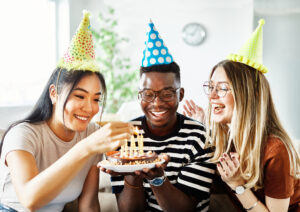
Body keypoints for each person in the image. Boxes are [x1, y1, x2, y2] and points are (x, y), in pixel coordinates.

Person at [0, 11, 133, 212]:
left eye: (96, 99)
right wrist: (86, 147)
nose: (90, 108)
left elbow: (88, 204)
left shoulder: (90, 133)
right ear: (54, 93)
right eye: (79, 96)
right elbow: (30, 200)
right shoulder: (23, 134)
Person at [184, 19, 300, 211]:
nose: (212, 96)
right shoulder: (224, 139)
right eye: (211, 87)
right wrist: (203, 124)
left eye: (222, 88)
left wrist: (238, 185)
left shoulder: (275, 150)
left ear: (247, 96)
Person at [100, 20, 215, 212]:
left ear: (181, 94)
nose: (157, 102)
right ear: (139, 95)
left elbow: (185, 210)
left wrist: (157, 178)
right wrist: (131, 173)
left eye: (167, 93)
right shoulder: (126, 137)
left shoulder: (200, 137)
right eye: (148, 94)